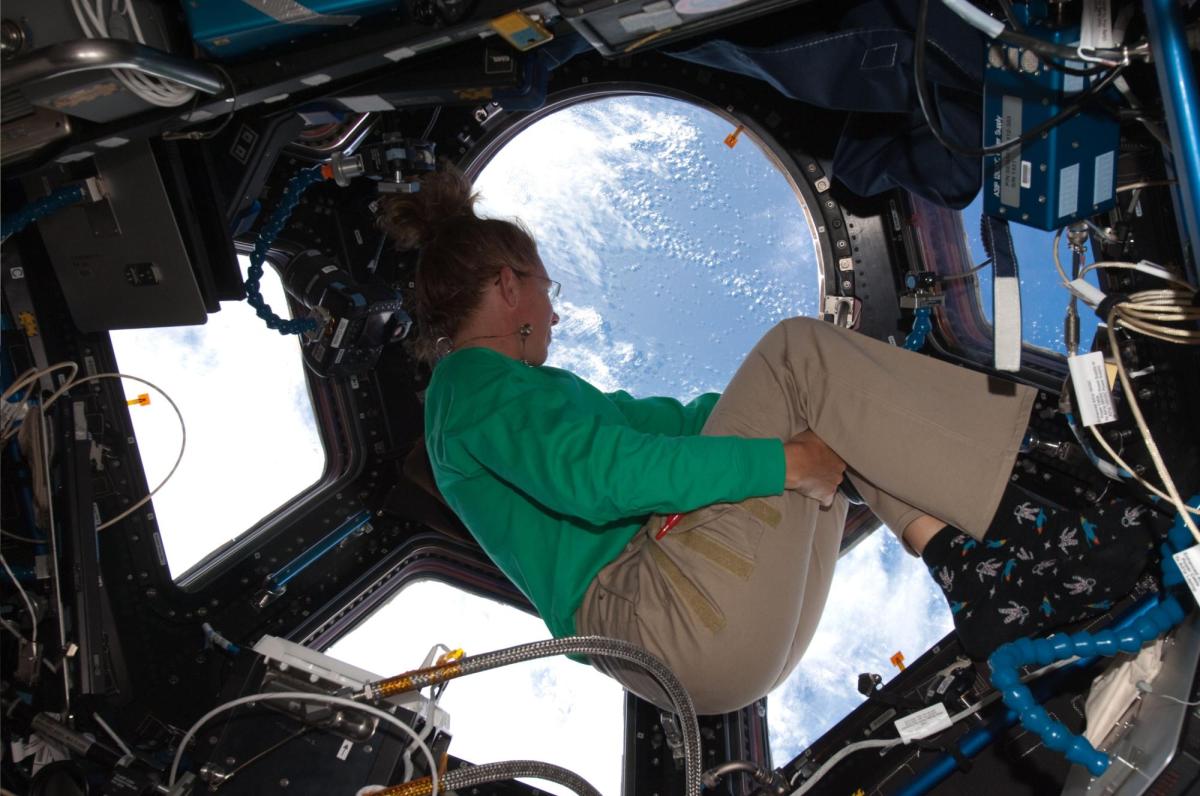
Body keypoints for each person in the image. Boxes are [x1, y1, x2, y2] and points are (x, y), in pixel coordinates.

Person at [377, 167, 1162, 715]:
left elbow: (696, 421)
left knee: (821, 400)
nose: (554, 312)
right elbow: (600, 478)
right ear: (509, 285)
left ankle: (977, 573)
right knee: (800, 351)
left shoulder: (535, 400)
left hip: (719, 650)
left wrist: (833, 410)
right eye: (549, 289)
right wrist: (786, 452)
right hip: (664, 616)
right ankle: (1064, 466)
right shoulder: (467, 387)